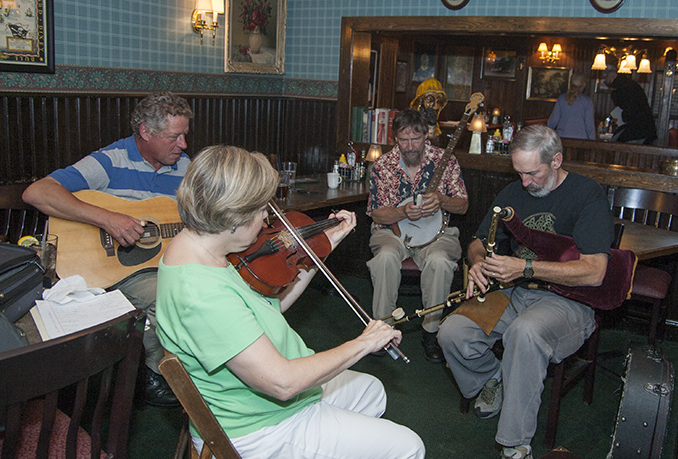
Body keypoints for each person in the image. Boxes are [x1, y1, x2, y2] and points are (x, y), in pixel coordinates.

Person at [156, 145, 424, 459]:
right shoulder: (202, 293)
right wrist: (364, 343)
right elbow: (282, 383)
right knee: (408, 448)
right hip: (261, 427)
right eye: (258, 211)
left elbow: (270, 308)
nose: (266, 217)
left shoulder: (200, 249)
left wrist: (320, 249)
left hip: (265, 399)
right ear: (231, 216)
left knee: (371, 391)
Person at [437, 125, 614, 459]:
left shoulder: (587, 194)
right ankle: (495, 378)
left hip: (569, 300)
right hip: (516, 293)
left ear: (557, 160)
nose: (525, 183)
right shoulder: (512, 194)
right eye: (518, 173)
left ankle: (514, 443)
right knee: (452, 332)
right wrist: (476, 261)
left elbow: (595, 272)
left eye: (532, 173)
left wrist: (526, 268)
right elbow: (477, 242)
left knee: (525, 333)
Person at [22, 91, 194, 408]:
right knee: (167, 295)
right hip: (113, 268)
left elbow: (204, 215)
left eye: (184, 134)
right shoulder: (110, 161)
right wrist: (108, 219)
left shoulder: (185, 169)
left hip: (163, 260)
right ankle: (156, 373)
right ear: (145, 131)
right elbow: (38, 192)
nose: (183, 144)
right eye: (174, 136)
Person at [367, 108, 468, 363]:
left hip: (438, 235)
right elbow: (377, 214)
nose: (410, 146)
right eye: (403, 140)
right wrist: (402, 212)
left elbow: (463, 205)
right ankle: (382, 330)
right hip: (391, 231)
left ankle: (431, 332)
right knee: (385, 257)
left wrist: (443, 200)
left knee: (440, 262)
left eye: (416, 139)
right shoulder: (382, 166)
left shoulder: (445, 160)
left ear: (426, 136)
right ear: (395, 139)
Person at [604, 63, 658, 144]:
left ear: (613, 78)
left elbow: (630, 109)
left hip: (637, 130)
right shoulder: (631, 85)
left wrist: (623, 117)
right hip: (646, 129)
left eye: (609, 83)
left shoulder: (620, 89)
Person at [547, 73, 597, 140]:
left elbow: (553, 121)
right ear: (583, 86)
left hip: (562, 138)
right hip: (581, 140)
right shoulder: (587, 101)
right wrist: (592, 141)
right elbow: (589, 125)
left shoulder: (561, 99)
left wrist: (547, 134)